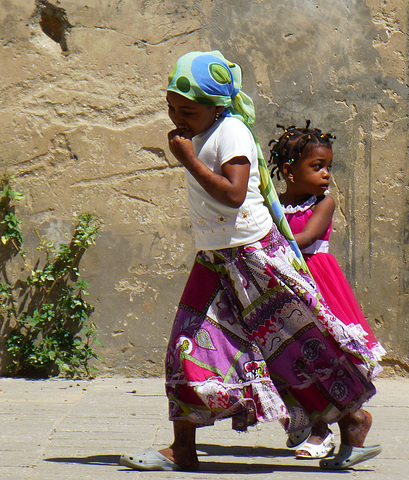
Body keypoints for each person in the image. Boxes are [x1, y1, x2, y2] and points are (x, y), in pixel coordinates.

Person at [119, 50, 382, 472]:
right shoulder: (200, 134)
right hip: (215, 258)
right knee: (186, 344)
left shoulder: (232, 132)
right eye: (170, 107)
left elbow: (234, 194)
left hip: (254, 256)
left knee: (297, 346)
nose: (177, 117)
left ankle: (352, 419)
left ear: (217, 106)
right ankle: (182, 448)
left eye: (186, 109)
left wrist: (187, 158)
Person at [268, 123, 386, 461]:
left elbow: (302, 241)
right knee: (292, 360)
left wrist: (267, 237)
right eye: (317, 167)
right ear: (289, 172)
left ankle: (324, 431)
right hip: (286, 287)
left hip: (318, 288)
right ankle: (315, 423)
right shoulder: (273, 204)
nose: (326, 175)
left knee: (321, 357)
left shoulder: (324, 204)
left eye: (328, 168)